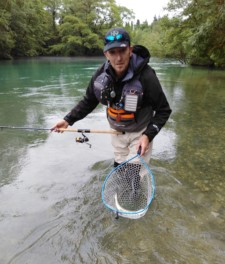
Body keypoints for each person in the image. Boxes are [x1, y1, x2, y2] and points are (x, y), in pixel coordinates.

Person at [52, 27, 172, 167]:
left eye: (122, 51)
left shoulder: (146, 76)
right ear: (106, 54)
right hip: (116, 131)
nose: (118, 58)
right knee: (119, 168)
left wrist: (148, 135)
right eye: (113, 52)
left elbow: (164, 110)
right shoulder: (100, 74)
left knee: (134, 173)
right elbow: (89, 101)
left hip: (141, 132)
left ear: (130, 50)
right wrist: (67, 120)